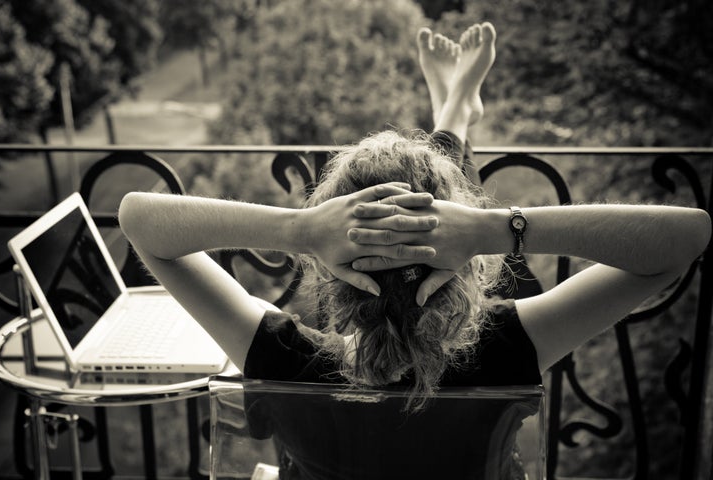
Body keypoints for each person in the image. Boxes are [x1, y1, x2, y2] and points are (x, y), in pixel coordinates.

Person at [118, 22, 710, 476]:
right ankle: (453, 119)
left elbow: (138, 219)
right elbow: (687, 236)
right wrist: (491, 230)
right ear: (463, 264)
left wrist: (298, 231)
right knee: (463, 222)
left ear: (334, 263)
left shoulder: (283, 357)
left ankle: (452, 115)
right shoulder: (506, 348)